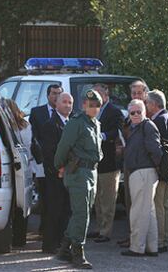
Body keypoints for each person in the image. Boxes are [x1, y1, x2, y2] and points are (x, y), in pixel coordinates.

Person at [54, 90, 103, 269]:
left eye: (97, 105)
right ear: (84, 105)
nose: (94, 108)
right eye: (91, 105)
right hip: (78, 172)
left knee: (83, 212)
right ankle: (77, 252)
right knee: (82, 213)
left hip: (92, 171)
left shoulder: (96, 124)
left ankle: (64, 248)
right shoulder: (77, 123)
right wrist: (59, 165)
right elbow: (63, 146)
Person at [121, 99, 162, 257]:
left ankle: (137, 247)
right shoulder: (135, 127)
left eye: (139, 111)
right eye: (133, 112)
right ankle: (152, 247)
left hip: (144, 172)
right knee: (148, 212)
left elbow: (156, 151)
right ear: (129, 114)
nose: (136, 114)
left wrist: (154, 167)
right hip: (140, 172)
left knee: (138, 212)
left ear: (145, 112)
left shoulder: (147, 126)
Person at [146, 89, 168, 253]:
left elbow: (157, 149)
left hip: (162, 169)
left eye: (147, 103)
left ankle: (160, 241)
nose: (146, 106)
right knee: (165, 205)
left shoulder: (159, 120)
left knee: (159, 205)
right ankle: (164, 239)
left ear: (153, 104)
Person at [39, 92, 73, 253]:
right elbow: (49, 151)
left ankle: (61, 242)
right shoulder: (50, 125)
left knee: (66, 210)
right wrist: (59, 169)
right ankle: (50, 244)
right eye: (64, 102)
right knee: (54, 210)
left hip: (70, 175)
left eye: (70, 102)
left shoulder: (71, 123)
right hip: (55, 175)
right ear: (57, 105)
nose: (67, 105)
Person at [90, 83, 124, 243]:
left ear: (105, 95)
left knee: (108, 199)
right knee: (96, 198)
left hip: (109, 162)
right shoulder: (92, 111)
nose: (95, 97)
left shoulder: (114, 111)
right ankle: (98, 228)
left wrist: (101, 136)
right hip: (95, 163)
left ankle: (106, 231)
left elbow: (117, 132)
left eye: (97, 94)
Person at [118, 79, 150, 248]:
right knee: (130, 202)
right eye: (133, 93)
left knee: (142, 206)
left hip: (143, 166)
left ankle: (140, 241)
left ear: (145, 93)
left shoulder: (148, 114)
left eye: (139, 93)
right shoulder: (129, 113)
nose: (136, 95)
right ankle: (131, 235)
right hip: (129, 163)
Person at [29, 84, 64, 235]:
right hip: (43, 162)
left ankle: (57, 229)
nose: (56, 96)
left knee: (58, 197)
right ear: (48, 95)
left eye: (59, 94)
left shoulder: (66, 115)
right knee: (45, 195)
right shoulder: (37, 112)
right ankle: (44, 228)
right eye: (54, 93)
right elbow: (33, 136)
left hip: (61, 163)